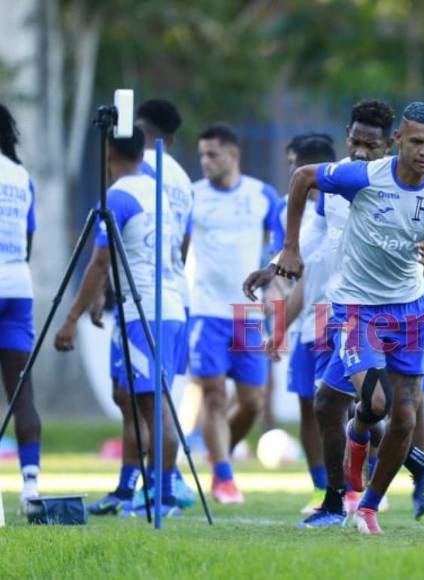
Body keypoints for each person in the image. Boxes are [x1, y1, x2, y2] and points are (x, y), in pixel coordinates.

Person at [245, 100, 424, 528]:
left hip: (398, 311)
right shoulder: (343, 182)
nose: (358, 152)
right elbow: (317, 243)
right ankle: (337, 499)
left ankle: (394, 482)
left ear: (388, 144)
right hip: (346, 310)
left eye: (368, 145)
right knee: (336, 405)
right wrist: (282, 259)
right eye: (353, 142)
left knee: (384, 408)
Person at [54, 127, 184, 518]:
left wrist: (71, 318)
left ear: (108, 154)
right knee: (125, 398)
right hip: (146, 308)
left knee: (152, 404)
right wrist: (99, 298)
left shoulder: (117, 196)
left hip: (148, 313)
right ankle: (126, 489)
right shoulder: (154, 189)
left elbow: (99, 260)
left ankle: (164, 497)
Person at [189, 123, 282, 504]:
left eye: (212, 154)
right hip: (206, 310)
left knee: (253, 401)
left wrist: (273, 296)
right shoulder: (192, 196)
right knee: (212, 395)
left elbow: (281, 250)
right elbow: (178, 250)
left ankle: (217, 453)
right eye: (202, 155)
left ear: (233, 154)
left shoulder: (261, 195)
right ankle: (224, 476)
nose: (206, 162)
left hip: (247, 313)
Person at [280, 133, 337, 514]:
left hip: (337, 319)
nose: (291, 174)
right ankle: (321, 489)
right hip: (304, 319)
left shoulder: (342, 205)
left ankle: (350, 485)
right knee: (308, 407)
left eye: (293, 166)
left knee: (341, 409)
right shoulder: (293, 210)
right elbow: (294, 270)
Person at [0, 104, 42, 514]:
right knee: (21, 390)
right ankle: (31, 487)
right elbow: (29, 240)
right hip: (17, 285)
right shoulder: (20, 176)